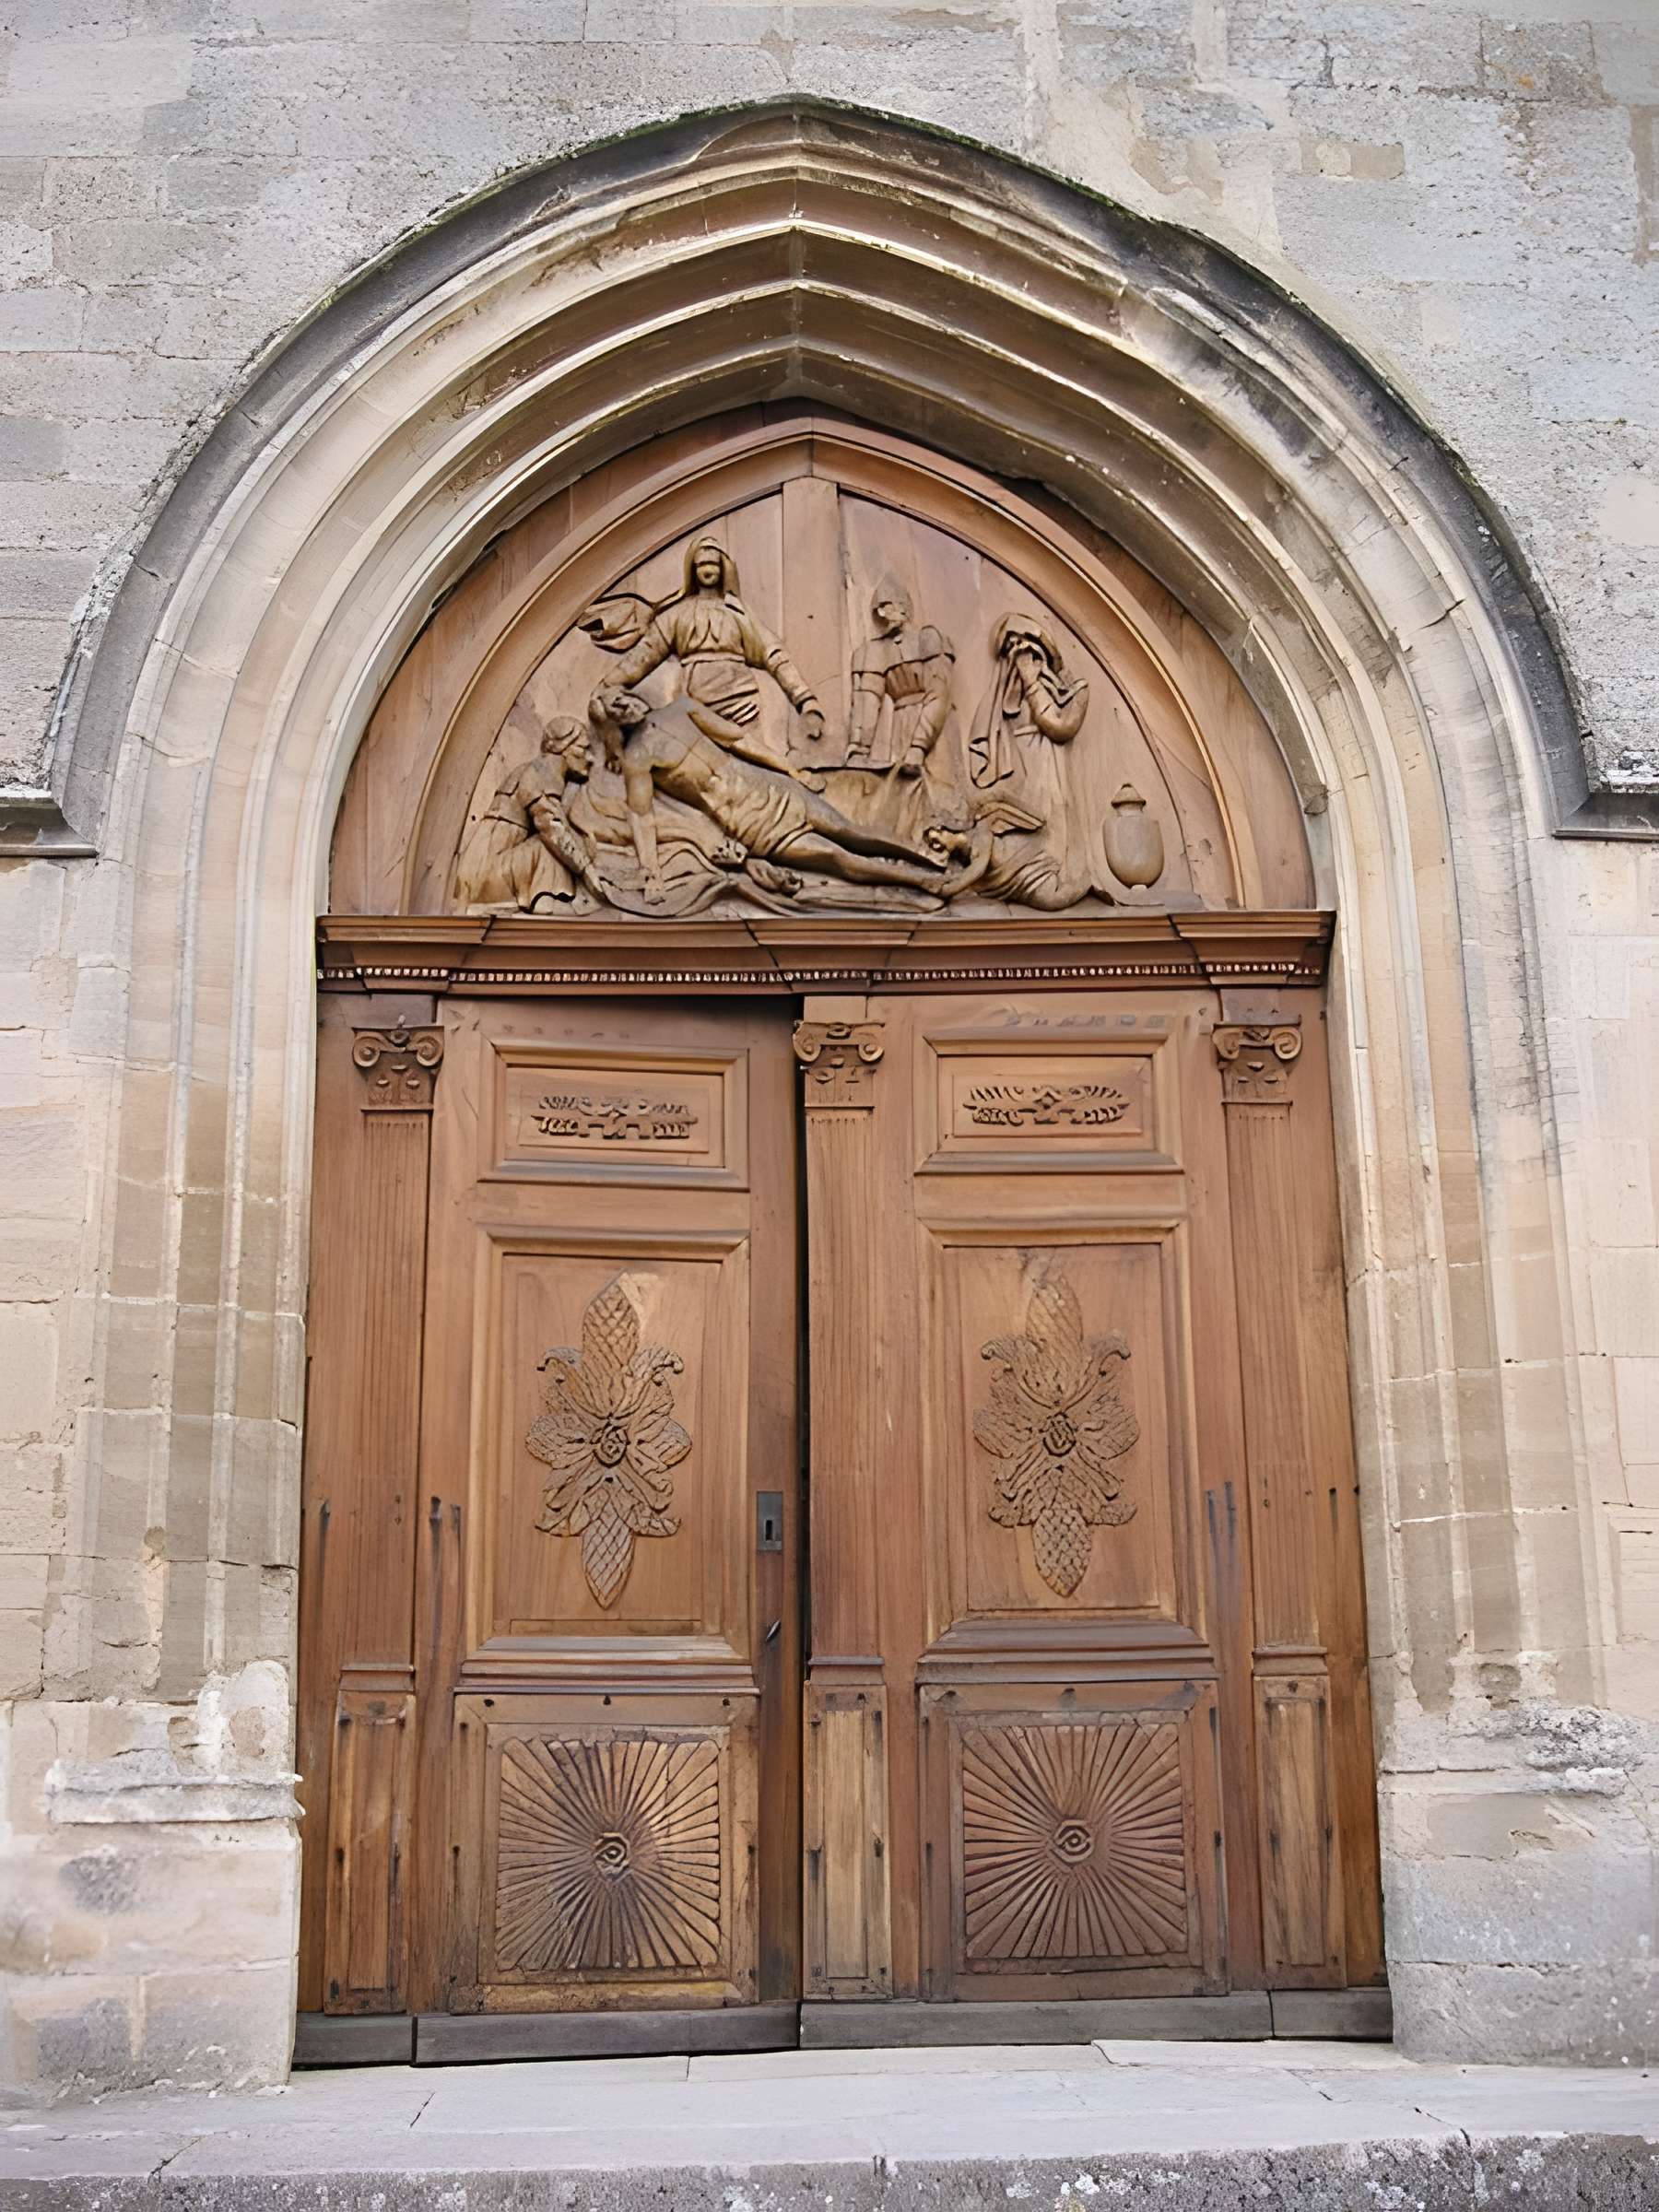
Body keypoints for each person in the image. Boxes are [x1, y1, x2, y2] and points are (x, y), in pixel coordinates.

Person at [592, 687, 955, 904]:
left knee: (851, 831)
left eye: (623, 696)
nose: (625, 705)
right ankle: (919, 881)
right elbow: (642, 815)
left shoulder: (682, 708)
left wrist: (790, 770)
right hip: (749, 824)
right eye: (614, 708)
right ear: (612, 723)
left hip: (770, 789)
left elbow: (738, 739)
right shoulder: (638, 759)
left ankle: (927, 859)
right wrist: (650, 873)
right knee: (836, 858)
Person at [582, 538, 826, 745]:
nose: (707, 570)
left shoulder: (737, 613)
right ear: (693, 570)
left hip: (741, 702)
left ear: (723, 569)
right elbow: (645, 655)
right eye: (701, 565)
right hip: (696, 705)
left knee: (755, 769)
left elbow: (774, 655)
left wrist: (806, 701)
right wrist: (609, 684)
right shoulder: (678, 615)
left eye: (713, 564)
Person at [453, 713, 604, 911]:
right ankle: (546, 901)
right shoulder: (540, 772)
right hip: (485, 878)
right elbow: (551, 827)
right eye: (583, 748)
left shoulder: (536, 772)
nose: (590, 758)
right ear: (563, 749)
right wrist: (586, 871)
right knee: (551, 843)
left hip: (485, 876)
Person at [847, 583, 955, 775]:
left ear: (903, 607)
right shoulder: (873, 651)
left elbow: (939, 695)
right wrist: (859, 749)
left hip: (933, 730)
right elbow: (867, 703)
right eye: (879, 609)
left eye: (887, 606)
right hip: (901, 727)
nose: (882, 614)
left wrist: (919, 746)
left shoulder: (928, 638)